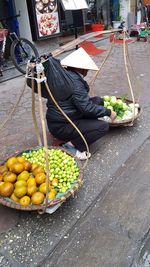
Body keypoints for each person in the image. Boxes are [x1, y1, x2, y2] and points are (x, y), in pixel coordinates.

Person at [43, 48, 117, 160]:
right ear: (79, 68)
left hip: (64, 117)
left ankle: (87, 126)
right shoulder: (74, 83)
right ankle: (71, 146)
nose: (87, 72)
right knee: (102, 127)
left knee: (98, 100)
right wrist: (108, 112)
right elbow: (86, 108)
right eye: (85, 69)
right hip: (62, 125)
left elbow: (83, 104)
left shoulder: (66, 74)